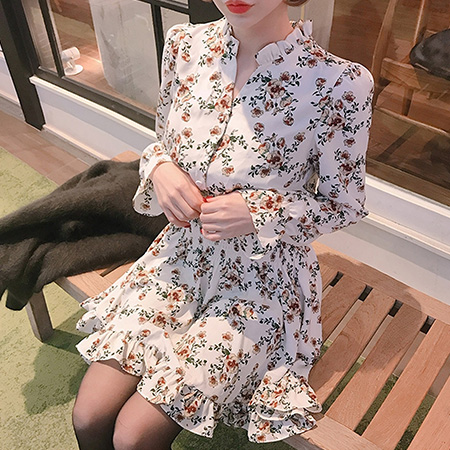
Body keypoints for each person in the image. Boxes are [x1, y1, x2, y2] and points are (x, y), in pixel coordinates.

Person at [71, 0, 374, 448]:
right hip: (179, 258)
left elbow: (343, 204)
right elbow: (162, 139)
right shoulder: (184, 44)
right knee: (88, 415)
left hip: (262, 281)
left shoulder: (340, 82)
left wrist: (258, 211)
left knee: (134, 434)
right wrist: (159, 168)